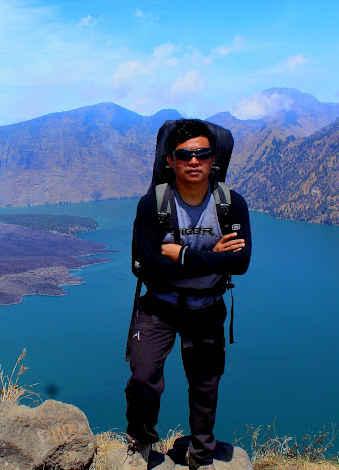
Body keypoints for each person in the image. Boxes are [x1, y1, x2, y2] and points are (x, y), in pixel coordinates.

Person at [124, 119, 251, 470]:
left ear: (214, 160)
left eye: (202, 153)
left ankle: (200, 453)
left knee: (205, 385)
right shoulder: (153, 205)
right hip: (159, 307)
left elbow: (240, 262)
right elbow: (146, 266)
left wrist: (178, 255)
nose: (193, 161)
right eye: (184, 155)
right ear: (170, 161)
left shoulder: (230, 205)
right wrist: (213, 258)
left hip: (206, 307)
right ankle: (142, 442)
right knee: (143, 376)